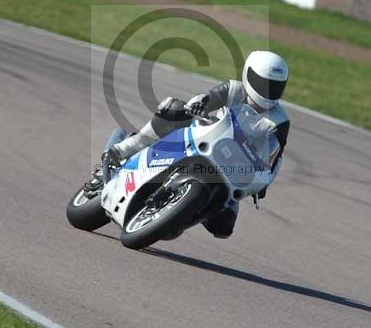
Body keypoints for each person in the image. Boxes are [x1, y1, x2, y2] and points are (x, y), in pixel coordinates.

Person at [96, 50, 290, 239]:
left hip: (232, 170)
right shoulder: (234, 89)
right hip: (207, 140)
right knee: (173, 110)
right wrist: (200, 103)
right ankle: (126, 148)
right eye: (263, 84)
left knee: (223, 227)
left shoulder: (280, 121)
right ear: (249, 75)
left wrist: (263, 180)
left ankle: (180, 216)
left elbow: (274, 157)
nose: (268, 91)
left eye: (275, 87)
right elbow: (207, 98)